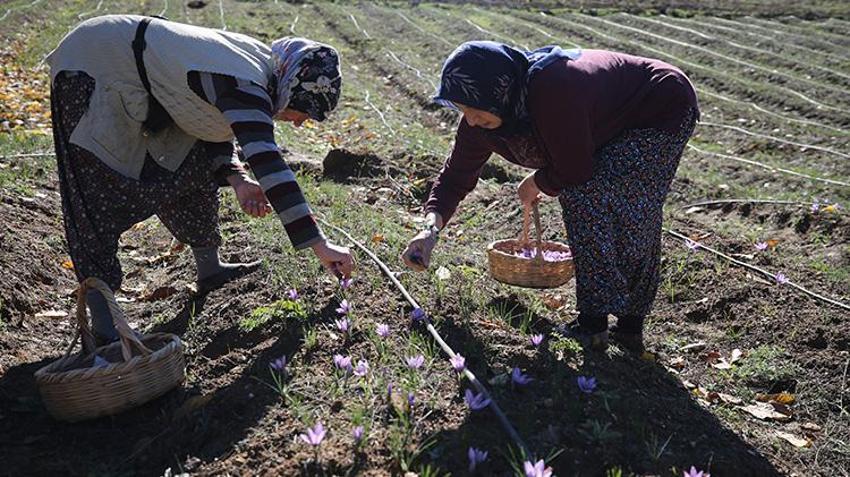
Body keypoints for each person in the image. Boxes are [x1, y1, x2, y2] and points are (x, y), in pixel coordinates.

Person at [47, 15, 354, 342]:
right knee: (96, 190)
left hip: (137, 74)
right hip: (94, 64)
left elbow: (208, 120)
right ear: (292, 87)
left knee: (191, 165)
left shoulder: (259, 72)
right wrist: (320, 245)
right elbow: (269, 164)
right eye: (304, 111)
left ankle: (210, 270)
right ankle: (105, 323)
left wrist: (237, 180)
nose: (299, 123)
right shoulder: (246, 82)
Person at [401, 41, 699, 352]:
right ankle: (609, 323)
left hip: (659, 105)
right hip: (607, 119)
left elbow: (575, 169)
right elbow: (454, 179)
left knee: (621, 204)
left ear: (501, 92)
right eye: (463, 110)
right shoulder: (482, 119)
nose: (471, 120)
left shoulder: (551, 90)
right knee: (596, 196)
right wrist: (429, 231)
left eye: (475, 110)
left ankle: (613, 325)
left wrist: (537, 181)